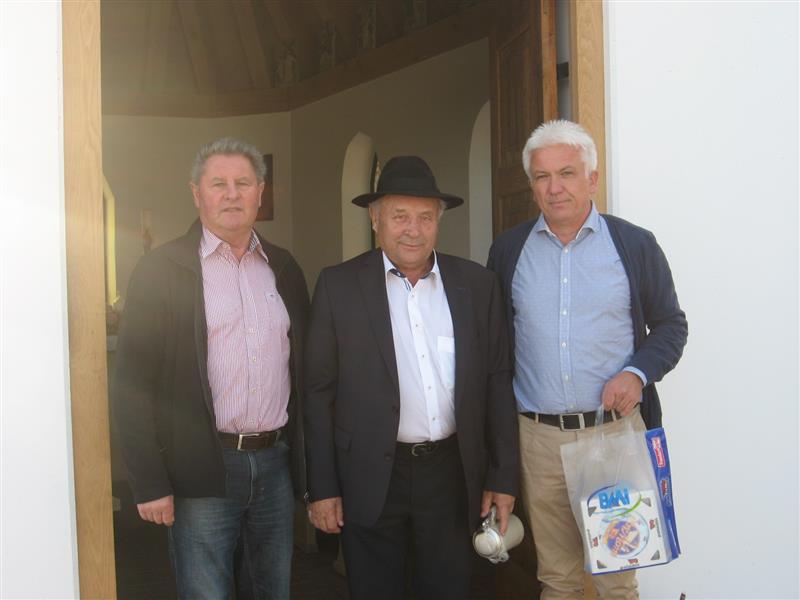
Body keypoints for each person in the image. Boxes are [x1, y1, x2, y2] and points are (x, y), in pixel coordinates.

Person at [487, 120, 688, 600]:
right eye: (542, 176)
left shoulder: (633, 245)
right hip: (537, 439)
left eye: (567, 173)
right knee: (556, 580)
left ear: (592, 179)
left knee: (617, 579)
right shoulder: (509, 250)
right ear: (532, 185)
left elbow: (671, 326)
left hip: (611, 436)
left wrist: (637, 374)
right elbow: (494, 347)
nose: (554, 187)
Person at [304, 156, 519, 600]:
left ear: (439, 222)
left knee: (447, 589)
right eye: (399, 216)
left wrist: (503, 476)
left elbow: (498, 382)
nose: (413, 230)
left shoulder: (478, 286)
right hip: (369, 474)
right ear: (375, 219)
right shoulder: (338, 287)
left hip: (451, 474)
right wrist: (321, 488)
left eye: (425, 217)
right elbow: (317, 393)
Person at [112, 137, 309, 600]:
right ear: (196, 193)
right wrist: (149, 482)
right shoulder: (161, 270)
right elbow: (131, 385)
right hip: (199, 467)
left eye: (243, 183)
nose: (232, 194)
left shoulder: (283, 268)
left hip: (274, 463)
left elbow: (306, 373)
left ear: (260, 192)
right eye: (218, 183)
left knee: (273, 590)